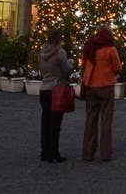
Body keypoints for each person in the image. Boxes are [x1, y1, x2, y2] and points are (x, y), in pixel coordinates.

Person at [82, 26, 123, 162]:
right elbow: (117, 68)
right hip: (106, 86)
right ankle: (105, 153)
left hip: (90, 86)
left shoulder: (89, 47)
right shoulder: (111, 49)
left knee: (90, 119)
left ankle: (88, 153)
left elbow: (83, 65)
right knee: (106, 120)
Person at [38, 28, 72, 163]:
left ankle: (44, 152)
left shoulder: (41, 53)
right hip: (56, 89)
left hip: (44, 89)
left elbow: (41, 71)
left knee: (45, 121)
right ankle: (54, 152)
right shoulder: (60, 53)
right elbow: (67, 70)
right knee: (55, 123)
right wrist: (71, 63)